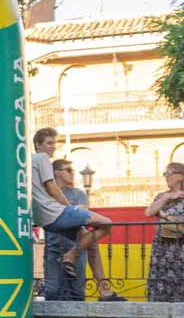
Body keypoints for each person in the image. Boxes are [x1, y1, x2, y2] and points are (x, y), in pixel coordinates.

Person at [31, 127, 124, 301]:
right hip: (54, 216)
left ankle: (105, 291)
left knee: (91, 244)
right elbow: (52, 188)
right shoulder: (42, 159)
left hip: (45, 219)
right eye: (49, 143)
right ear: (38, 144)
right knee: (106, 223)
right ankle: (72, 256)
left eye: (54, 143)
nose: (53, 147)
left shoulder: (28, 163)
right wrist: (70, 209)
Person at [42, 160, 89, 301]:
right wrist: (71, 210)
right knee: (52, 291)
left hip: (76, 250)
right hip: (53, 249)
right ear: (57, 173)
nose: (72, 173)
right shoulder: (46, 194)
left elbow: (82, 214)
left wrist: (58, 212)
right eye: (68, 170)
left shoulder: (79, 194)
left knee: (77, 291)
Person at [145, 162, 184, 302]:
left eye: (170, 173)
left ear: (181, 176)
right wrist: (166, 198)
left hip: (180, 247)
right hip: (162, 246)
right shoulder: (161, 196)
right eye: (165, 174)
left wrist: (165, 216)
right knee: (160, 281)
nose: (166, 177)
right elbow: (148, 212)